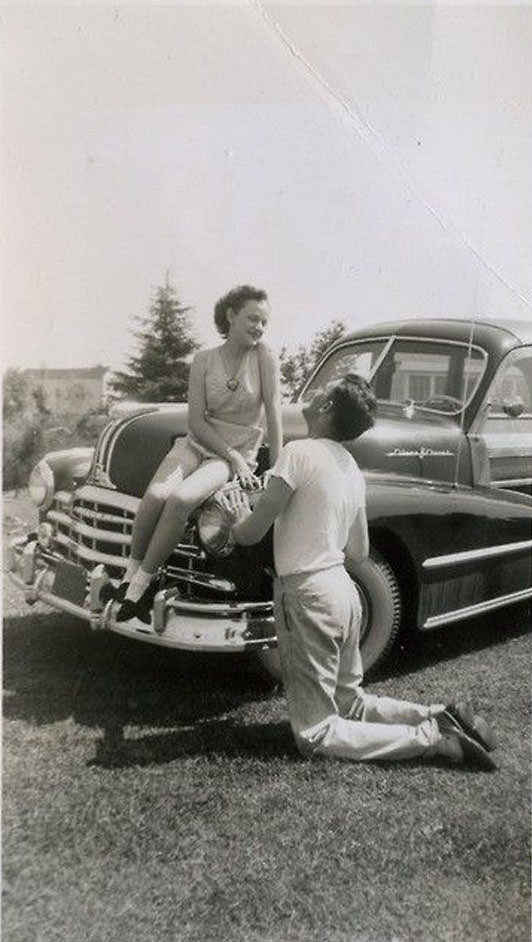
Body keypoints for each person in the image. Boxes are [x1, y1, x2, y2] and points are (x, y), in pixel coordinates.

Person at [220, 373, 497, 769]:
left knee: (315, 734)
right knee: (350, 700)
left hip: (309, 594)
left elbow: (250, 533)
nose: (312, 393)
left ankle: (434, 738)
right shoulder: (350, 466)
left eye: (321, 390)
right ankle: (437, 714)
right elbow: (360, 551)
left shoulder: (298, 453)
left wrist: (235, 516)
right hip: (345, 594)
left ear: (328, 406)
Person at [116, 285, 282, 622]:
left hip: (234, 454)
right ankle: (128, 576)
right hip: (197, 443)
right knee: (156, 494)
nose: (259, 328)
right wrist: (228, 455)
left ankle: (140, 588)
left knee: (180, 500)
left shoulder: (264, 356)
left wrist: (277, 469)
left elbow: (275, 414)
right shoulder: (204, 360)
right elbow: (196, 420)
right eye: (253, 318)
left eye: (264, 322)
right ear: (231, 315)